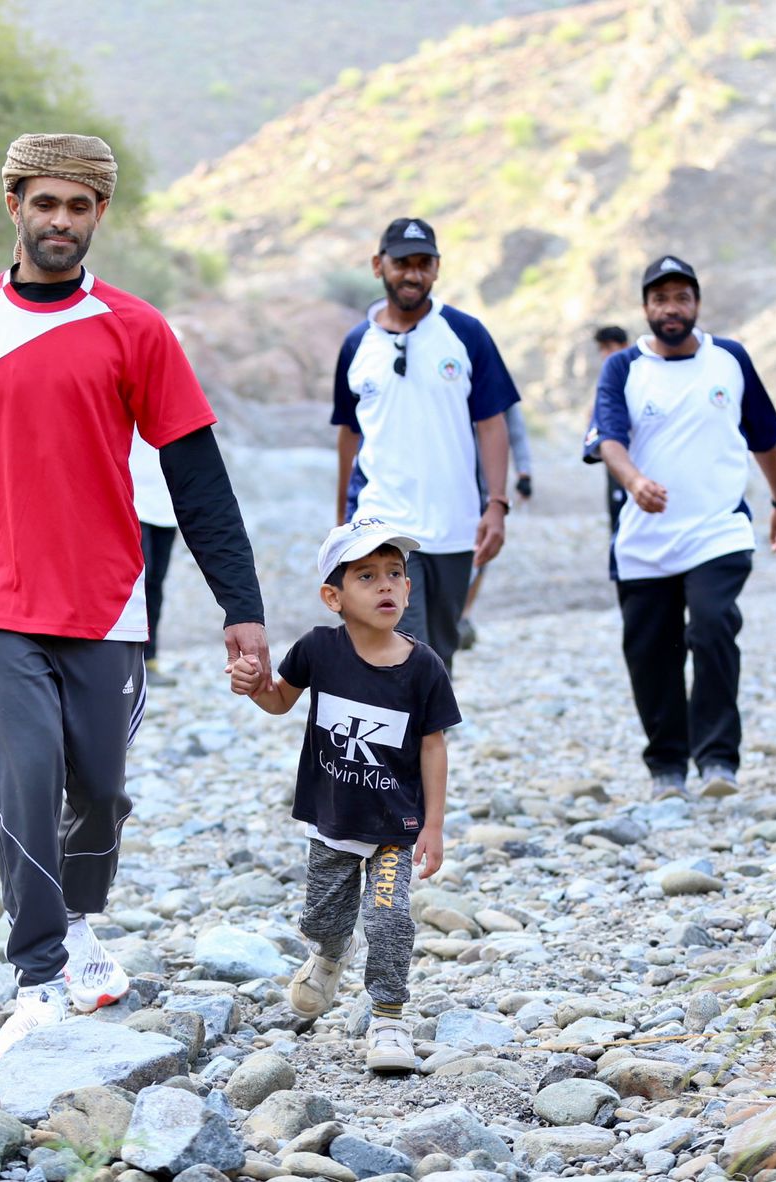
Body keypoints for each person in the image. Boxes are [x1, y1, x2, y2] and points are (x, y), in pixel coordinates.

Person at [0, 133, 269, 1057]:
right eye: (45, 203)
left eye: (78, 206)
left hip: (107, 601)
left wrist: (241, 607)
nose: (60, 221)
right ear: (14, 205)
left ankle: (76, 923)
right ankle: (37, 981)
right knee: (25, 779)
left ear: (100, 212)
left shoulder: (136, 329)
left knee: (99, 791)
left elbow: (198, 478)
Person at [227, 518, 458, 1073]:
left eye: (394, 574)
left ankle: (389, 1019)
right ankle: (331, 954)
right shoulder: (319, 649)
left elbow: (433, 748)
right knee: (323, 920)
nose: (385, 585)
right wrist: (253, 685)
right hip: (332, 818)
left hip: (396, 827)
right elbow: (279, 700)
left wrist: (433, 825)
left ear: (408, 589)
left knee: (388, 920)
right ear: (334, 596)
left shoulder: (424, 667)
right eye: (366, 576)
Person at [583, 255, 776, 800]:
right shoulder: (623, 367)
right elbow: (608, 438)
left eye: (681, 297)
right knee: (651, 653)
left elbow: (764, 436)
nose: (671, 308)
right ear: (646, 307)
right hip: (644, 541)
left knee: (712, 625)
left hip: (717, 531)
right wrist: (633, 481)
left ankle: (718, 760)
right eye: (660, 299)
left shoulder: (730, 359)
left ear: (697, 303)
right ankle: (667, 767)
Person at [333, 217, 519, 673]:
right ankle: (401, 721)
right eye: (402, 263)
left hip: (454, 525)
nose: (412, 274)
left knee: (440, 653)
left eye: (423, 263)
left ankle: (430, 721)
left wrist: (496, 504)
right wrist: (342, 523)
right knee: (403, 648)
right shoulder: (357, 344)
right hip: (382, 524)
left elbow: (492, 424)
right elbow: (349, 435)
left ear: (436, 268)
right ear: (378, 265)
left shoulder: (466, 334)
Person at [457, 401, 533, 650]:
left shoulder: (494, 385)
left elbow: (516, 431)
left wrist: (524, 472)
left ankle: (464, 614)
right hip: (451, 485)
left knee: (481, 551)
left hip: (485, 490)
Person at [131, 430, 179, 686]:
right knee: (136, 581)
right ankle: (128, 660)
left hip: (165, 507)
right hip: (132, 501)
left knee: (155, 584)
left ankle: (149, 659)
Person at [593, 326, 630, 533]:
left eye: (609, 347)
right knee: (616, 515)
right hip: (613, 459)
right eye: (601, 348)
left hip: (635, 459)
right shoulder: (607, 378)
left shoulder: (638, 375)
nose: (604, 353)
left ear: (624, 346)